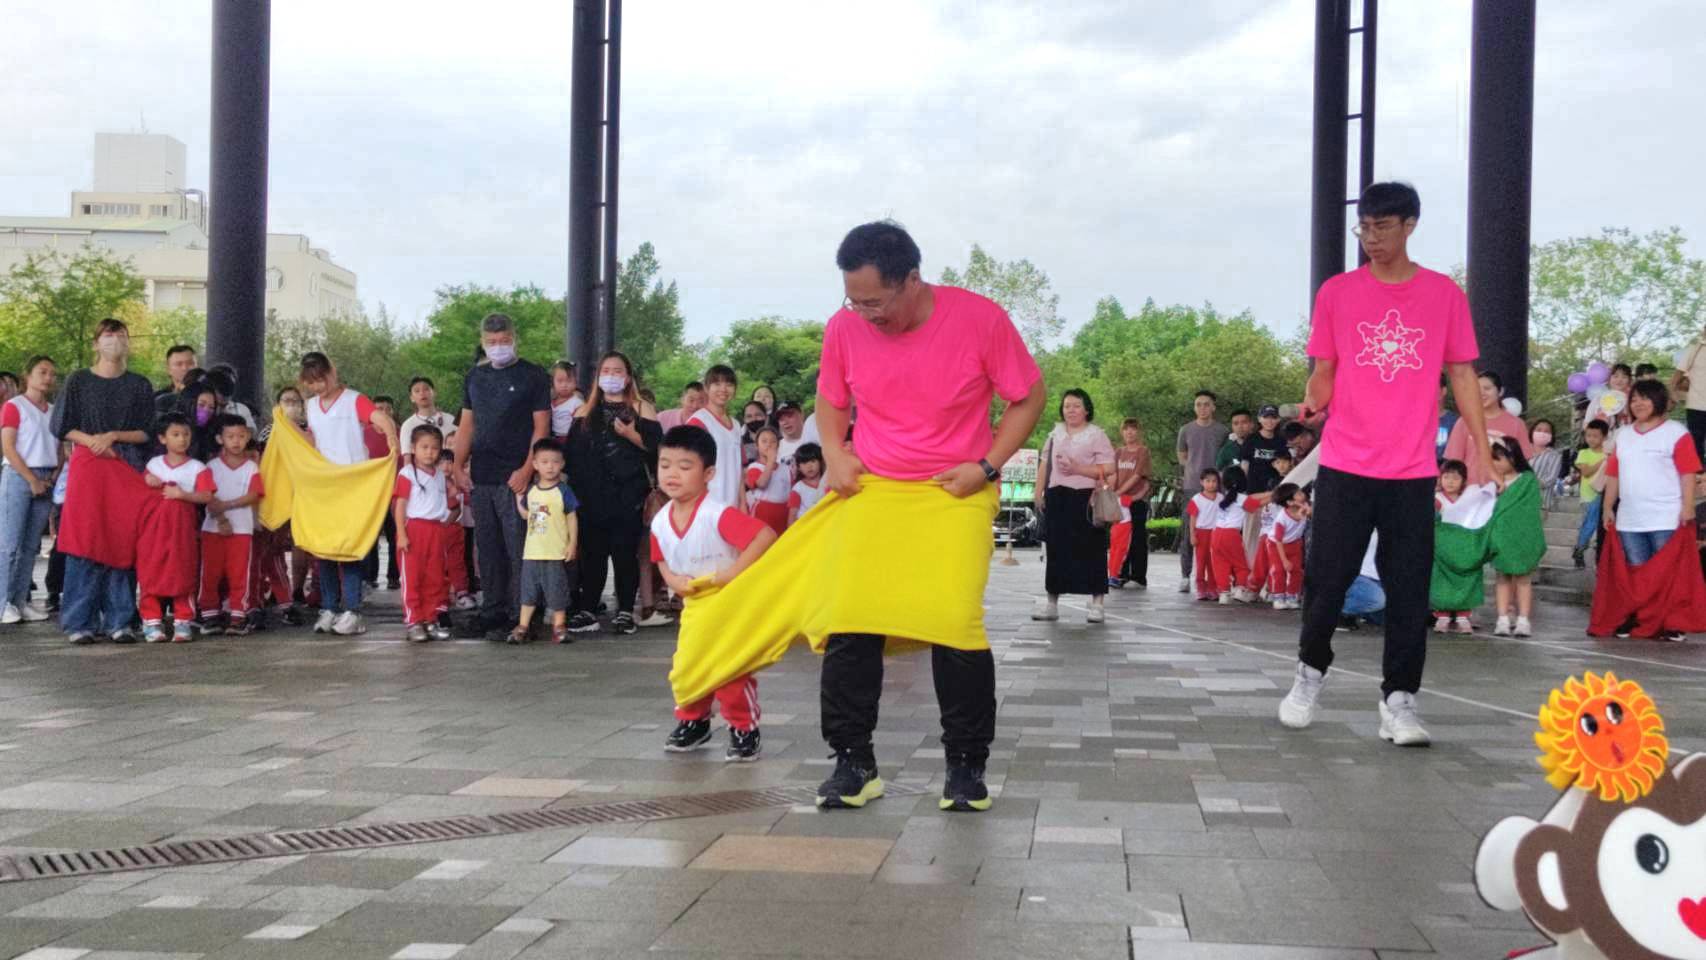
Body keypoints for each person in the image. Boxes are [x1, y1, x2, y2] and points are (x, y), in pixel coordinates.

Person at [1278, 181, 1490, 748]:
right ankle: (1310, 672)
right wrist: (1317, 393)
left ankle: (1400, 700)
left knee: (1408, 589)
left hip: (1411, 470)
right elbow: (1324, 367)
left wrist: (1484, 449)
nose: (1370, 238)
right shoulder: (1338, 293)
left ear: (1410, 225)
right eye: (1363, 227)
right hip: (1346, 464)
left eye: (1382, 227)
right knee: (1326, 582)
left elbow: (1463, 376)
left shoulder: (1444, 294)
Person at [651, 426, 778, 761]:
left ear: (708, 473)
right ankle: (694, 721)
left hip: (729, 605)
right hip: (694, 606)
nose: (672, 473)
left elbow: (764, 536)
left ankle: (744, 727)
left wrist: (733, 573)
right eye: (665, 465)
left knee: (730, 670)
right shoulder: (660, 520)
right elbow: (659, 555)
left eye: (684, 465)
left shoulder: (717, 513)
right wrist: (672, 580)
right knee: (688, 666)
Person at [54, 318, 157, 644]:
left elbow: (147, 432)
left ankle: (119, 620)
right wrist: (92, 440)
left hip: (126, 463)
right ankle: (78, 622)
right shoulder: (78, 381)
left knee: (121, 539)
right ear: (96, 343)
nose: (114, 341)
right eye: (108, 336)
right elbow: (61, 425)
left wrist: (113, 436)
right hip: (88, 462)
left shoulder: (139, 384)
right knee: (83, 540)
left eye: (120, 335)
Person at [451, 313, 552, 640]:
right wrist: (457, 465)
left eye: (504, 341)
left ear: (514, 338)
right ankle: (492, 609)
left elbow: (541, 428)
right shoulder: (475, 377)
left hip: (517, 477)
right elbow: (467, 425)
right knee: (488, 547)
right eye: (492, 342)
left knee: (519, 547)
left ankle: (522, 615)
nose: (498, 347)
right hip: (483, 475)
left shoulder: (533, 375)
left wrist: (527, 469)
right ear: (482, 342)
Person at [298, 351, 399, 636]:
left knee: (350, 549)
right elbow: (313, 438)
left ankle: (352, 611)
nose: (319, 386)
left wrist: (390, 436)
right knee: (325, 550)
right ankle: (329, 607)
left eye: (322, 379)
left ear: (333, 371)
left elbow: (381, 419)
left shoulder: (354, 399)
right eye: (312, 382)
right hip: (324, 485)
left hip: (353, 484)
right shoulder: (311, 406)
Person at [564, 351, 661, 636]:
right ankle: (588, 608)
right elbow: (572, 457)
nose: (612, 375)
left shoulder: (643, 409)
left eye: (618, 370)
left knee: (624, 554)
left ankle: (625, 611)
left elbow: (658, 450)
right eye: (606, 370)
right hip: (590, 495)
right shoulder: (584, 411)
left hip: (628, 494)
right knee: (592, 554)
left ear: (628, 376)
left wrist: (632, 436)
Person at [1600, 379, 1701, 640]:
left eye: (1644, 398)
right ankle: (1637, 618)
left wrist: (1687, 507)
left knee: (1667, 573)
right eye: (1634, 399)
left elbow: (1688, 472)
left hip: (1666, 515)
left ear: (1659, 401)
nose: (1638, 404)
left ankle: (1670, 623)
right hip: (1630, 517)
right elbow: (1614, 474)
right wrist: (1608, 506)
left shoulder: (1676, 432)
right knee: (1636, 571)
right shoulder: (1623, 435)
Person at [1033, 389, 1114, 624]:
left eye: (1076, 405)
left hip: (1086, 498)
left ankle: (1097, 603)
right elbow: (1044, 464)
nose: (1071, 410)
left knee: (1092, 549)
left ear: (1086, 409)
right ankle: (1051, 603)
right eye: (1067, 405)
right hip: (1058, 496)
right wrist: (1039, 492)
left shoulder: (1096, 435)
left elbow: (1108, 468)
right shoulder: (1054, 434)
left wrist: (1080, 469)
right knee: (1057, 550)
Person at [396, 376, 471, 611]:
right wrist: (400, 531)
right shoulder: (409, 428)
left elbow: (460, 449)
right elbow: (407, 462)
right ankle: (415, 617)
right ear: (411, 397)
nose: (422, 394)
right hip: (416, 522)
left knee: (439, 568)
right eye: (416, 390)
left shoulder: (449, 420)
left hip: (441, 520)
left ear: (433, 391)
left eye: (426, 389)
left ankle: (437, 611)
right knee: (416, 569)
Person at [141, 412, 216, 643]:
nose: (182, 439)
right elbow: (141, 489)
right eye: (175, 434)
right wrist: (148, 481)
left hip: (183, 531)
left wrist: (182, 494)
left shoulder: (197, 467)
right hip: (154, 530)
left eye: (186, 434)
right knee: (151, 569)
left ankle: (182, 620)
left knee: (183, 570)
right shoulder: (153, 464)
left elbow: (206, 496)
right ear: (162, 439)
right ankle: (152, 621)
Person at [0, 356, 58, 624]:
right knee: (9, 544)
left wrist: (54, 474)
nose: (47, 378)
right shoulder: (15, 406)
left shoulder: (54, 410)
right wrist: (30, 478)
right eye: (42, 372)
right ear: (28, 375)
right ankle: (3, 603)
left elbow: (59, 447)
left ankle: (19, 599)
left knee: (30, 546)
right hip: (19, 475)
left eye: (51, 374)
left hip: (46, 475)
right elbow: (9, 447)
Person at [198, 414, 264, 635]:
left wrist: (227, 505)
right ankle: (209, 615)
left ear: (248, 438)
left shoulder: (252, 468)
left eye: (241, 436)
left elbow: (254, 494)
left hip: (242, 530)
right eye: (231, 436)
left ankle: (238, 615)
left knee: (239, 573)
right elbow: (208, 495)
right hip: (212, 529)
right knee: (210, 572)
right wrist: (221, 518)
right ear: (220, 439)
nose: (236, 441)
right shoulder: (211, 466)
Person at [393, 424, 460, 644]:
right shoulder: (407, 473)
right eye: (424, 447)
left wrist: (445, 525)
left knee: (435, 577)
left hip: (436, 530)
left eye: (434, 447)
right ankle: (414, 621)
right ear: (413, 448)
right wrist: (401, 533)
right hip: (413, 529)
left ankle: (431, 618)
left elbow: (449, 505)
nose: (429, 452)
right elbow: (400, 505)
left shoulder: (440, 476)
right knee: (412, 577)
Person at [512, 438, 580, 645]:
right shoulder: (532, 491)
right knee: (528, 591)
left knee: (557, 590)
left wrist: (572, 544)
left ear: (562, 464)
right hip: (532, 552)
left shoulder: (563, 491)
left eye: (555, 462)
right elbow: (526, 515)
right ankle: (522, 626)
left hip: (555, 552)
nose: (550, 467)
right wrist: (518, 498)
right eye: (545, 462)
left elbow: (572, 518)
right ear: (535, 464)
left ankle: (559, 626)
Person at [1486, 438, 1545, 637]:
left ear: (1513, 457)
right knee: (1502, 578)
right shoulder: (1491, 482)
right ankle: (1502, 618)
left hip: (1522, 537)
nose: (1496, 463)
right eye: (1493, 459)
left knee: (1523, 579)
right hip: (1501, 537)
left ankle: (1523, 620)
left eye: (1499, 459)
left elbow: (1530, 511)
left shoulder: (1527, 479)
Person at [1175, 391, 1228, 592]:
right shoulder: (1186, 430)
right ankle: (1185, 576)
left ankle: (1217, 577)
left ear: (1213, 407)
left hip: (1217, 488)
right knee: (1189, 530)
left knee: (1218, 532)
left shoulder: (1222, 431)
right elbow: (1182, 455)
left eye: (1206, 404)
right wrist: (1193, 469)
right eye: (1198, 404)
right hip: (1192, 486)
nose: (1202, 408)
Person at [1444, 371, 1533, 486]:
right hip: (1470, 490)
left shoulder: (1517, 424)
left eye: (1487, 388)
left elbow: (1523, 462)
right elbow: (1454, 461)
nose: (1481, 393)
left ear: (1500, 391)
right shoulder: (1464, 422)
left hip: (1504, 491)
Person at [1430, 459, 1486, 633]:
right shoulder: (1436, 500)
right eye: (1446, 477)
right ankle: (1442, 616)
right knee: (1440, 581)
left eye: (1455, 478)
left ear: (1464, 480)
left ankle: (1463, 616)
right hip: (1441, 550)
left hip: (1464, 548)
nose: (1450, 481)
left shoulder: (1469, 499)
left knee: (1467, 579)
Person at [1208, 465, 1270, 605]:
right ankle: (1240, 590)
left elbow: (1254, 498)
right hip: (1231, 535)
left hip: (1216, 534)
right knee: (1241, 565)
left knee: (1220, 565)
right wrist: (1275, 495)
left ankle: (1224, 594)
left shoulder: (1225, 497)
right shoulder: (1241, 498)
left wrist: (1270, 493)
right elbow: (1258, 504)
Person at [689, 366, 745, 510]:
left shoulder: (737, 425)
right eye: (717, 384)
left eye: (729, 384)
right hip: (707, 507)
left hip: (732, 506)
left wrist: (743, 503)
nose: (723, 389)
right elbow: (688, 468)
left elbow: (739, 469)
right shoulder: (698, 421)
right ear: (706, 388)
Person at [1107, 418, 1152, 589]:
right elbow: (1114, 475)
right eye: (1126, 429)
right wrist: (1112, 492)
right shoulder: (1118, 452)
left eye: (1133, 429)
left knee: (1138, 538)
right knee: (1119, 539)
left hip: (1136, 500)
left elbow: (1137, 476)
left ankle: (1139, 576)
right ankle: (1120, 574)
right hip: (1120, 502)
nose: (1129, 432)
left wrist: (1120, 492)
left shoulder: (1143, 451)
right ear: (1122, 432)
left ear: (1138, 431)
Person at [363, 395, 401, 590]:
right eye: (379, 409)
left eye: (388, 409)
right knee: (370, 536)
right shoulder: (363, 434)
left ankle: (394, 576)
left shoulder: (400, 434)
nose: (384, 413)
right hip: (371, 494)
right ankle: (370, 576)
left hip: (395, 493)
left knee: (396, 534)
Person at [1570, 420, 1609, 568]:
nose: (1591, 439)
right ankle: (1579, 549)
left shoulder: (1608, 452)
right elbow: (1585, 472)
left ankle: (1591, 553)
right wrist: (1603, 461)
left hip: (1605, 495)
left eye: (1595, 436)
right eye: (1588, 435)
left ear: (1604, 437)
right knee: (1589, 525)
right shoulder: (1583, 453)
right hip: (1588, 496)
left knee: (1599, 528)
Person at [1264, 483, 1309, 610]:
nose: (1303, 495)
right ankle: (1278, 597)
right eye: (1299, 494)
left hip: (1295, 544)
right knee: (1278, 570)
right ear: (1289, 502)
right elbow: (1278, 540)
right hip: (1276, 545)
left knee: (1296, 571)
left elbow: (1304, 515)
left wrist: (1303, 508)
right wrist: (1284, 560)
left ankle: (1291, 596)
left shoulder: (1305, 508)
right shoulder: (1281, 519)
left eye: (1301, 492)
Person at [745, 425, 791, 535]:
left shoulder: (785, 469)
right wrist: (770, 462)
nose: (769, 444)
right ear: (757, 446)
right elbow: (762, 483)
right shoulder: (754, 467)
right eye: (764, 441)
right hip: (763, 513)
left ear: (778, 446)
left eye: (773, 441)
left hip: (783, 513)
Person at [1184, 469, 1221, 599]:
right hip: (1201, 533)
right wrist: (1192, 535)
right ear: (1202, 482)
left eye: (1214, 481)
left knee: (1213, 562)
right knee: (1201, 562)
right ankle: (1201, 588)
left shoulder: (1221, 498)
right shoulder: (1197, 499)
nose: (1211, 484)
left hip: (1216, 533)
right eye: (1208, 481)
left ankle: (1213, 588)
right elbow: (1192, 518)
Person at [1671, 329, 1706, 456]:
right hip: (1696, 405)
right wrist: (1672, 393)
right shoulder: (1694, 350)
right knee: (1696, 444)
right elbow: (1678, 374)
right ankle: (1699, 474)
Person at [1242, 405, 1289, 492]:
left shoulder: (1282, 440)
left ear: (1278, 419)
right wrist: (1242, 485)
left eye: (1273, 417)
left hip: (1275, 489)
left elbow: (1286, 464)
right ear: (1259, 419)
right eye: (1266, 417)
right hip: (1253, 488)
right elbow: (1245, 464)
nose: (1269, 421)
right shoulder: (1251, 439)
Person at [788, 442, 827, 524]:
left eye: (813, 461)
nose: (809, 466)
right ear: (799, 467)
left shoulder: (829, 482)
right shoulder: (798, 489)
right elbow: (791, 520)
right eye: (804, 463)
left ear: (820, 462)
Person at [153, 344, 197, 412]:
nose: (185, 368)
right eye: (179, 364)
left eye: (190, 363)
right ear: (168, 369)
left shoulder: (209, 396)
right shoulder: (156, 398)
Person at [1528, 419, 1562, 507]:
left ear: (1551, 436)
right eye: (1539, 430)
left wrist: (1528, 484)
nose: (1542, 433)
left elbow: (1550, 479)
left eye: (1547, 431)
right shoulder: (1522, 450)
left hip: (1541, 503)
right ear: (1532, 431)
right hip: (1518, 501)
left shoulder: (1554, 455)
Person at [549, 361, 583, 440]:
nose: (564, 385)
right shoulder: (549, 401)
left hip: (569, 438)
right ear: (553, 383)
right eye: (560, 381)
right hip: (553, 437)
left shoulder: (577, 403)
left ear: (576, 382)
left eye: (569, 381)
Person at [774, 400, 808, 476]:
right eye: (781, 419)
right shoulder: (776, 447)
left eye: (789, 416)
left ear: (801, 414)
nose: (785, 422)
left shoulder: (816, 438)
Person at [739, 401, 769, 465]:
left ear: (766, 417)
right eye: (749, 416)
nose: (754, 419)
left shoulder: (778, 441)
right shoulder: (738, 444)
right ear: (744, 420)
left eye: (758, 415)